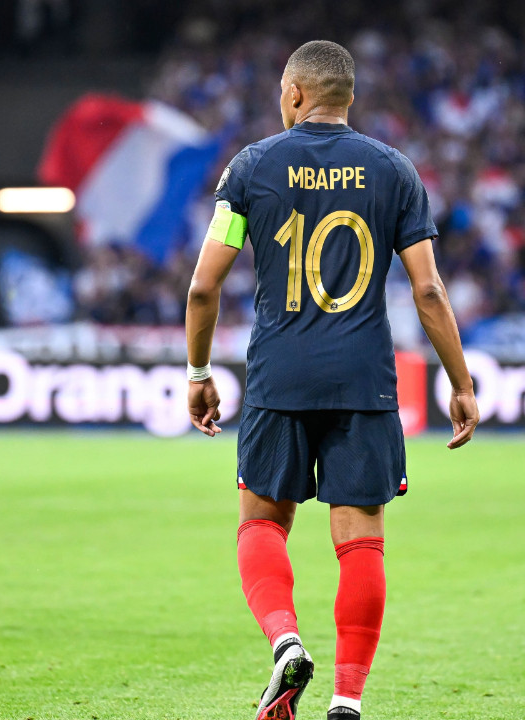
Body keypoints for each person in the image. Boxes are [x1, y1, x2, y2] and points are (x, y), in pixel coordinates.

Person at [183, 40, 479, 720]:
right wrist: (461, 384)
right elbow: (428, 291)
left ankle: (286, 642)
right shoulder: (395, 171)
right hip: (363, 381)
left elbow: (203, 288)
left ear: (294, 94)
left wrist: (199, 372)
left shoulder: (251, 167)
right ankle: (347, 701)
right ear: (348, 97)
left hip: (279, 376)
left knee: (261, 522)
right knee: (361, 541)